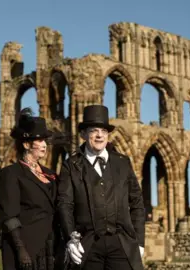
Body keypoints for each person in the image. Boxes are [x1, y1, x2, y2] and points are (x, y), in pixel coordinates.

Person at [57, 105, 145, 270]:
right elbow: (65, 204)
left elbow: (137, 202)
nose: (99, 135)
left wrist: (139, 241)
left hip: (121, 243)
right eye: (94, 130)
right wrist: (71, 238)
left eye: (104, 131)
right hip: (88, 244)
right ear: (83, 134)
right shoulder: (71, 165)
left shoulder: (122, 162)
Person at [0, 108, 58, 270]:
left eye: (45, 140)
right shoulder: (11, 174)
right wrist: (21, 250)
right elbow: (9, 216)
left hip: (50, 247)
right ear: (26, 144)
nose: (45, 145)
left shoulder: (51, 175)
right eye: (39, 140)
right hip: (26, 247)